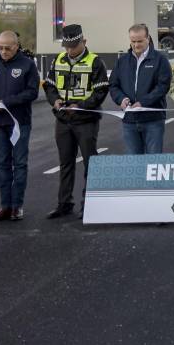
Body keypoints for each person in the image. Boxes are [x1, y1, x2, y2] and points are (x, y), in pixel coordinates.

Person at [42, 24, 109, 219]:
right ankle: (64, 204)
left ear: (84, 42)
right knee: (65, 163)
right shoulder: (58, 60)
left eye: (74, 46)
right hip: (63, 120)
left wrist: (80, 106)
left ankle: (89, 204)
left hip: (86, 120)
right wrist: (54, 101)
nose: (70, 50)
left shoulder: (95, 62)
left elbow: (100, 91)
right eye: (67, 46)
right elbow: (49, 86)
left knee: (91, 163)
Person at [0, 31, 40, 222]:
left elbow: (31, 92)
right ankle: (5, 206)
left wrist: (6, 102)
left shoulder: (27, 65)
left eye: (8, 48)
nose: (3, 51)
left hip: (19, 122)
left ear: (16, 45)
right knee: (2, 164)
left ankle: (17, 206)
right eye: (0, 48)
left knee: (19, 164)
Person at [109, 23, 172, 154]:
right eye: (133, 41)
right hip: (129, 121)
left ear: (147, 38)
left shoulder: (160, 60)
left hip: (153, 120)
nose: (136, 45)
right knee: (134, 163)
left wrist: (143, 103)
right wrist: (122, 99)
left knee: (153, 163)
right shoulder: (122, 61)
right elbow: (114, 85)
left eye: (140, 41)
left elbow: (163, 86)